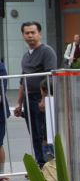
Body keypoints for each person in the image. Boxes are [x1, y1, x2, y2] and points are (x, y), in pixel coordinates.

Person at [15, 22, 56, 168]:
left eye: (33, 32)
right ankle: (40, 164)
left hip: (42, 98)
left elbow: (49, 77)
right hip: (28, 98)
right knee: (35, 134)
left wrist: (44, 99)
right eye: (27, 33)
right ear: (23, 36)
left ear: (40, 34)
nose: (30, 35)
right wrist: (19, 103)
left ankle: (49, 166)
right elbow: (22, 80)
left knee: (45, 134)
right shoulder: (26, 56)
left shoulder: (47, 51)